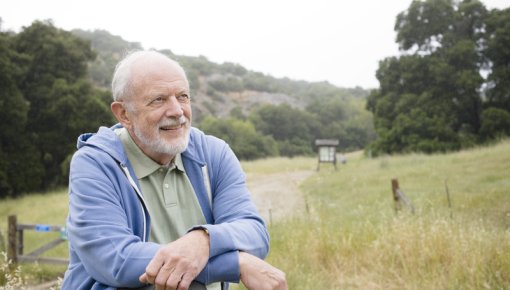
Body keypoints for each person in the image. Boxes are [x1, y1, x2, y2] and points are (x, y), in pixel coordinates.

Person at [62, 50, 287, 290]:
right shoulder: (95, 163)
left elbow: (253, 231)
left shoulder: (214, 154)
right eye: (158, 99)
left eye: (182, 97)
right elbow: (116, 259)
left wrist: (202, 240)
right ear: (124, 114)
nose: (177, 111)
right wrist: (236, 262)